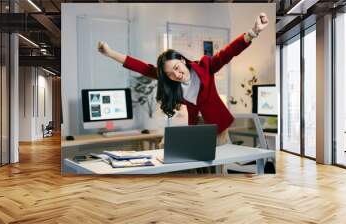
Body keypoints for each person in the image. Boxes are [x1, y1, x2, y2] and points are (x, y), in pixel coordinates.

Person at [98, 13, 269, 146]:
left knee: (217, 169)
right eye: (171, 74)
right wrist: (110, 53)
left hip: (218, 125)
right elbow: (142, 67)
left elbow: (228, 52)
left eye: (177, 68)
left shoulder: (206, 66)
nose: (177, 75)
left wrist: (253, 32)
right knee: (197, 167)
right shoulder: (172, 82)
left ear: (182, 60)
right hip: (196, 127)